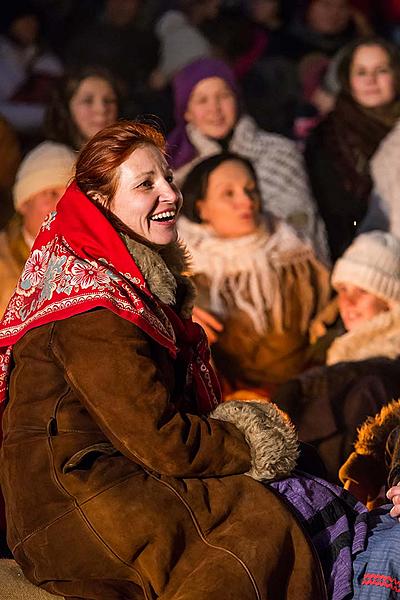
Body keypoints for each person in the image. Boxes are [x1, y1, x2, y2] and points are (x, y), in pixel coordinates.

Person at [0, 120, 327, 599]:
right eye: (145, 184)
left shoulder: (121, 282)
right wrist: (250, 439)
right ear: (102, 203)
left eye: (167, 178)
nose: (169, 194)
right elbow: (161, 438)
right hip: (76, 500)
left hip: (112, 477)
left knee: (292, 495)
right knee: (255, 534)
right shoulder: (93, 306)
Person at [179, 152, 330, 398]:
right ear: (201, 208)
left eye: (251, 190)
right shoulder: (184, 271)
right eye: (229, 193)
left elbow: (329, 314)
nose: (247, 201)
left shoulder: (294, 252)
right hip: (231, 400)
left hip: (308, 388)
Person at [167, 56, 329, 260]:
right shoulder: (176, 171)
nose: (215, 108)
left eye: (223, 96)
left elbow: (302, 224)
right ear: (186, 112)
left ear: (236, 99)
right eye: (202, 100)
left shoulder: (279, 152)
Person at [272, 230, 400, 481]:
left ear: (389, 301)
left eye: (362, 292)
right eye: (342, 289)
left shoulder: (379, 376)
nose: (347, 302)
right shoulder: (331, 347)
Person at [305, 37, 400, 261]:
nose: (371, 80)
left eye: (381, 70)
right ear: (347, 79)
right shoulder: (328, 137)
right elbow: (336, 213)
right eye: (361, 72)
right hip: (359, 252)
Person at [0, 140, 75, 317]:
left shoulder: (91, 262)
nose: (62, 206)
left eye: (71, 196)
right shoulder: (3, 260)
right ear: (25, 203)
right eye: (51, 194)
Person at [44, 66, 120, 152]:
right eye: (87, 101)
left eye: (109, 101)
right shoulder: (54, 158)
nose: (101, 109)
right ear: (65, 109)